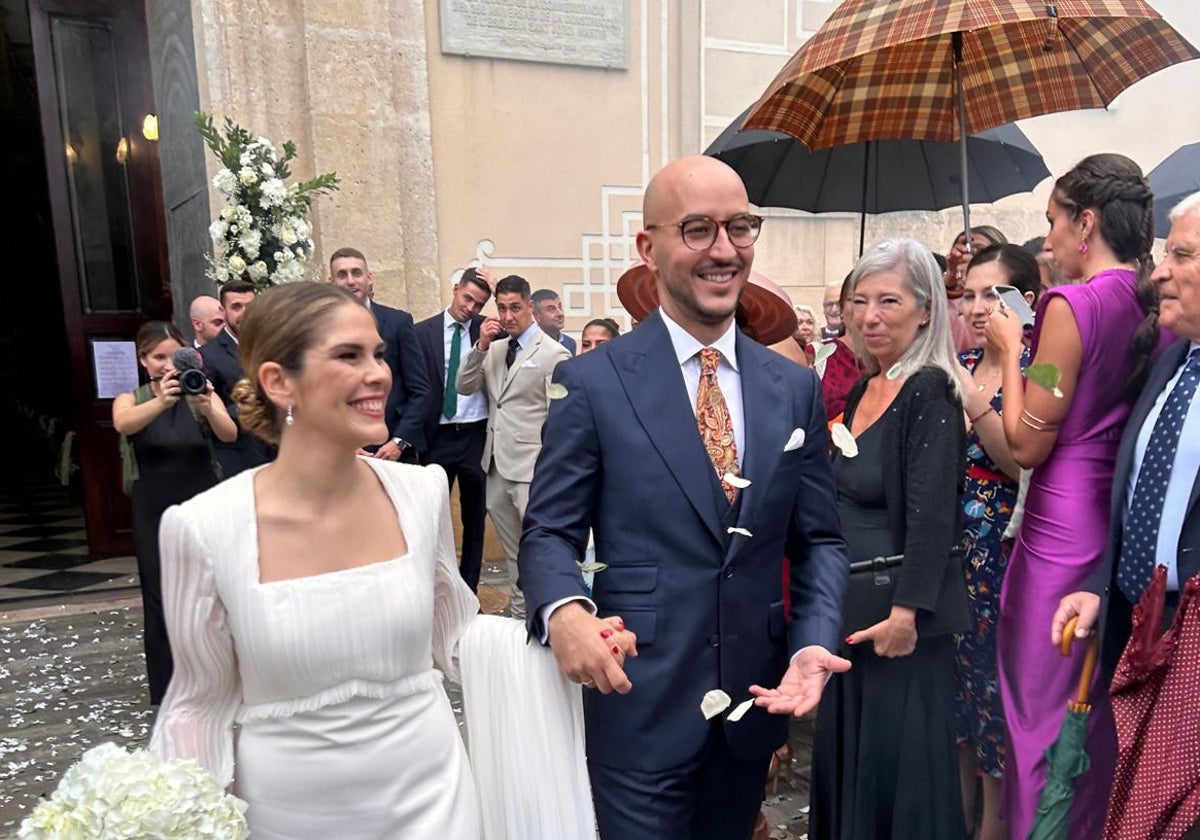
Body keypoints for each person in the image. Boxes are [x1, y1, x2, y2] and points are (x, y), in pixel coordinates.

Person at [149, 282, 619, 838]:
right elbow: (197, 706)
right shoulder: (202, 528)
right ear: (279, 382)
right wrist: (174, 817)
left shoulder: (419, 493)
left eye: (379, 354)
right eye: (349, 356)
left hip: (434, 804)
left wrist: (565, 630)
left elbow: (455, 635)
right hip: (288, 816)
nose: (378, 374)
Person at [519, 155, 850, 840]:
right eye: (698, 229)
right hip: (639, 704)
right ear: (649, 247)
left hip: (751, 711)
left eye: (741, 227)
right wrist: (564, 611)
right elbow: (548, 531)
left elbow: (818, 540)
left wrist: (811, 641)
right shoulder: (593, 384)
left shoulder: (793, 388)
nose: (724, 249)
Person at [987, 153, 1160, 840]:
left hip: (1061, 529)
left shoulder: (1070, 306)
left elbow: (1028, 442)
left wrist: (1008, 350)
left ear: (1086, 223)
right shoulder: (1154, 299)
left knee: (1040, 722)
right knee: (1093, 723)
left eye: (1054, 222)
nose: (1049, 239)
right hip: (1115, 524)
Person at [809, 238, 970, 840]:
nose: (869, 316)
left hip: (897, 626)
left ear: (925, 310)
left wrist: (906, 613)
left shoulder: (928, 391)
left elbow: (934, 517)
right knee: (855, 764)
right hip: (849, 614)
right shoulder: (860, 390)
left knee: (896, 773)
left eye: (889, 301)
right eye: (859, 301)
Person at [1052, 192, 1200, 839]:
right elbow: (1141, 493)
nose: (1159, 271)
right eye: (1165, 252)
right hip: (1138, 635)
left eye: (1182, 254)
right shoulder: (1171, 362)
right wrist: (1101, 587)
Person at [953, 244, 1038, 840]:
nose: (978, 307)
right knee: (953, 694)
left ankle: (994, 824)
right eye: (969, 293)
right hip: (949, 549)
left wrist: (974, 398)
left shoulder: (1043, 369)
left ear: (1024, 301)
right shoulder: (958, 359)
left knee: (990, 690)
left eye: (993, 293)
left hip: (999, 549)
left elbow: (1017, 460)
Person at [112, 321, 236, 704]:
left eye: (173, 357)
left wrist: (205, 403)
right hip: (154, 503)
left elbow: (229, 433)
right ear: (143, 360)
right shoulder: (130, 397)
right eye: (158, 357)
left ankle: (216, 675)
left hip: (200, 495)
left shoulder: (199, 389)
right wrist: (162, 401)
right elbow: (123, 423)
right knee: (159, 590)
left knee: (211, 586)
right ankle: (167, 685)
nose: (167, 366)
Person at [457, 274, 571, 618]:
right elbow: (463, 386)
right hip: (495, 465)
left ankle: (545, 615)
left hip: (532, 468)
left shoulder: (555, 354)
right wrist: (479, 347)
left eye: (515, 308)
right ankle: (521, 617)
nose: (508, 317)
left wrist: (552, 472)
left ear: (530, 308)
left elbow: (561, 421)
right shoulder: (493, 348)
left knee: (538, 549)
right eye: (502, 308)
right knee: (513, 552)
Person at [414, 268, 493, 590]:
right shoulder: (422, 332)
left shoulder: (489, 331)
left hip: (475, 434)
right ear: (455, 288)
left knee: (475, 519)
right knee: (433, 517)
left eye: (478, 303)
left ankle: (469, 588)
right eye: (467, 298)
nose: (470, 308)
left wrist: (497, 288)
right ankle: (434, 585)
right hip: (438, 436)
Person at [329, 247, 433, 462]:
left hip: (394, 451)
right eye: (342, 274)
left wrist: (399, 441)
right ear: (332, 282)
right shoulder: (321, 328)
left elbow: (420, 391)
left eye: (356, 273)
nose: (350, 281)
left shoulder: (398, 323)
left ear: (369, 278)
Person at [200, 280, 272, 477]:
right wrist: (250, 402)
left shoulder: (274, 345)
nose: (244, 313)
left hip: (279, 452)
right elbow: (209, 409)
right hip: (238, 456)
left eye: (250, 306)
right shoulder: (208, 355)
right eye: (236, 307)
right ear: (223, 312)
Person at [532, 288, 577, 354]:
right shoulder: (528, 345)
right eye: (551, 309)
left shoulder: (569, 344)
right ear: (537, 316)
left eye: (560, 307)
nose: (560, 313)